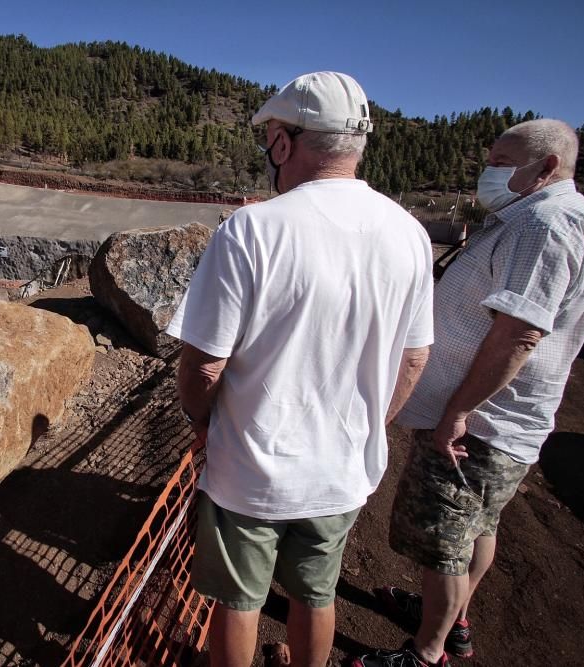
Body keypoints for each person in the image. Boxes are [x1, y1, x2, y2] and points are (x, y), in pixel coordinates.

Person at [166, 71, 434, 667]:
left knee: (237, 601)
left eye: (271, 139)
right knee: (315, 593)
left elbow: (204, 365)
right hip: (342, 469)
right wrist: (372, 424)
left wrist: (201, 421)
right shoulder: (411, 234)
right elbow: (414, 357)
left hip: (249, 469)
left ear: (285, 143)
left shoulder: (251, 231)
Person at [354, 119, 584, 667]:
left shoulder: (545, 223)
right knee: (478, 525)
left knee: (445, 536)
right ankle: (452, 618)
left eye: (501, 161)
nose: (488, 171)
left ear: (546, 167)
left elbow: (520, 331)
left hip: (481, 423)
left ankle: (427, 651)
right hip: (498, 420)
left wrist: (458, 410)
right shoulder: (543, 216)